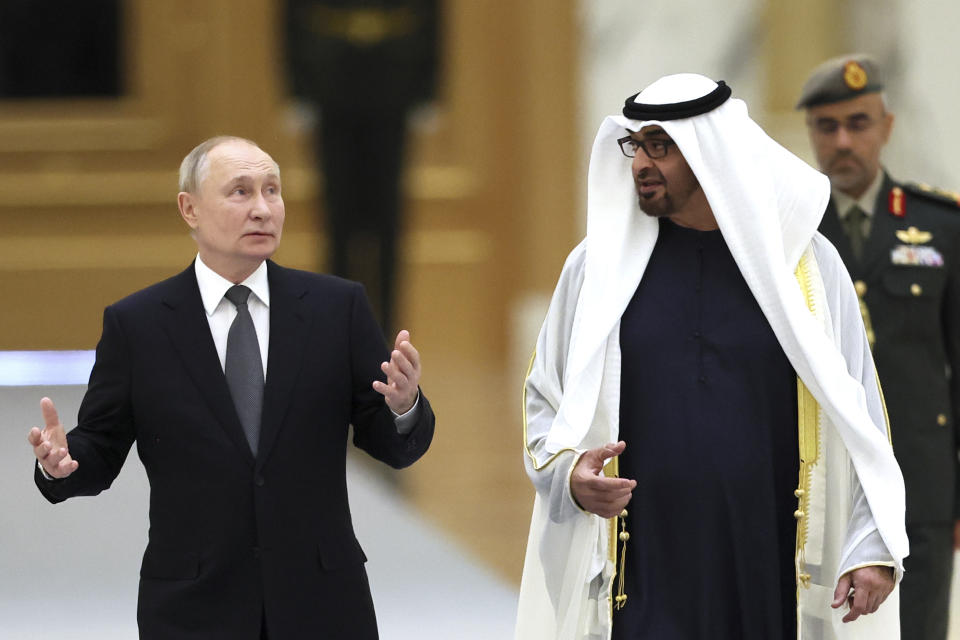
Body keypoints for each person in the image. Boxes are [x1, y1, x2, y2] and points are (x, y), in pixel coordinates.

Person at [515, 74, 908, 640]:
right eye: (636, 145)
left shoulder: (806, 268)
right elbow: (543, 394)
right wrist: (569, 475)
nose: (641, 164)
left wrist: (872, 543)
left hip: (769, 561)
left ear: (708, 152)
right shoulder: (595, 268)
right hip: (641, 562)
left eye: (661, 146)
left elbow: (862, 414)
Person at [27, 136, 435, 640]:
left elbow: (391, 445)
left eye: (272, 190)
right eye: (240, 192)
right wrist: (61, 464)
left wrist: (404, 406)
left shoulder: (337, 308)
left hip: (322, 601)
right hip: (192, 605)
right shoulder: (139, 325)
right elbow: (99, 448)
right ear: (190, 209)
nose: (263, 209)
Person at [797, 53, 960, 640]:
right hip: (820, 473)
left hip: (921, 473)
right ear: (811, 132)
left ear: (886, 127)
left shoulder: (940, 226)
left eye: (858, 124)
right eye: (827, 126)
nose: (842, 141)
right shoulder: (792, 229)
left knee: (919, 626)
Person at [284, 0, 439, 337]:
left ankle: (386, 332)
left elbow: (431, 12)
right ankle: (338, 328)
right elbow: (292, 13)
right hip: (330, 81)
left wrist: (428, 89)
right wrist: (296, 88)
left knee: (389, 220)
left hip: (394, 82)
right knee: (337, 219)